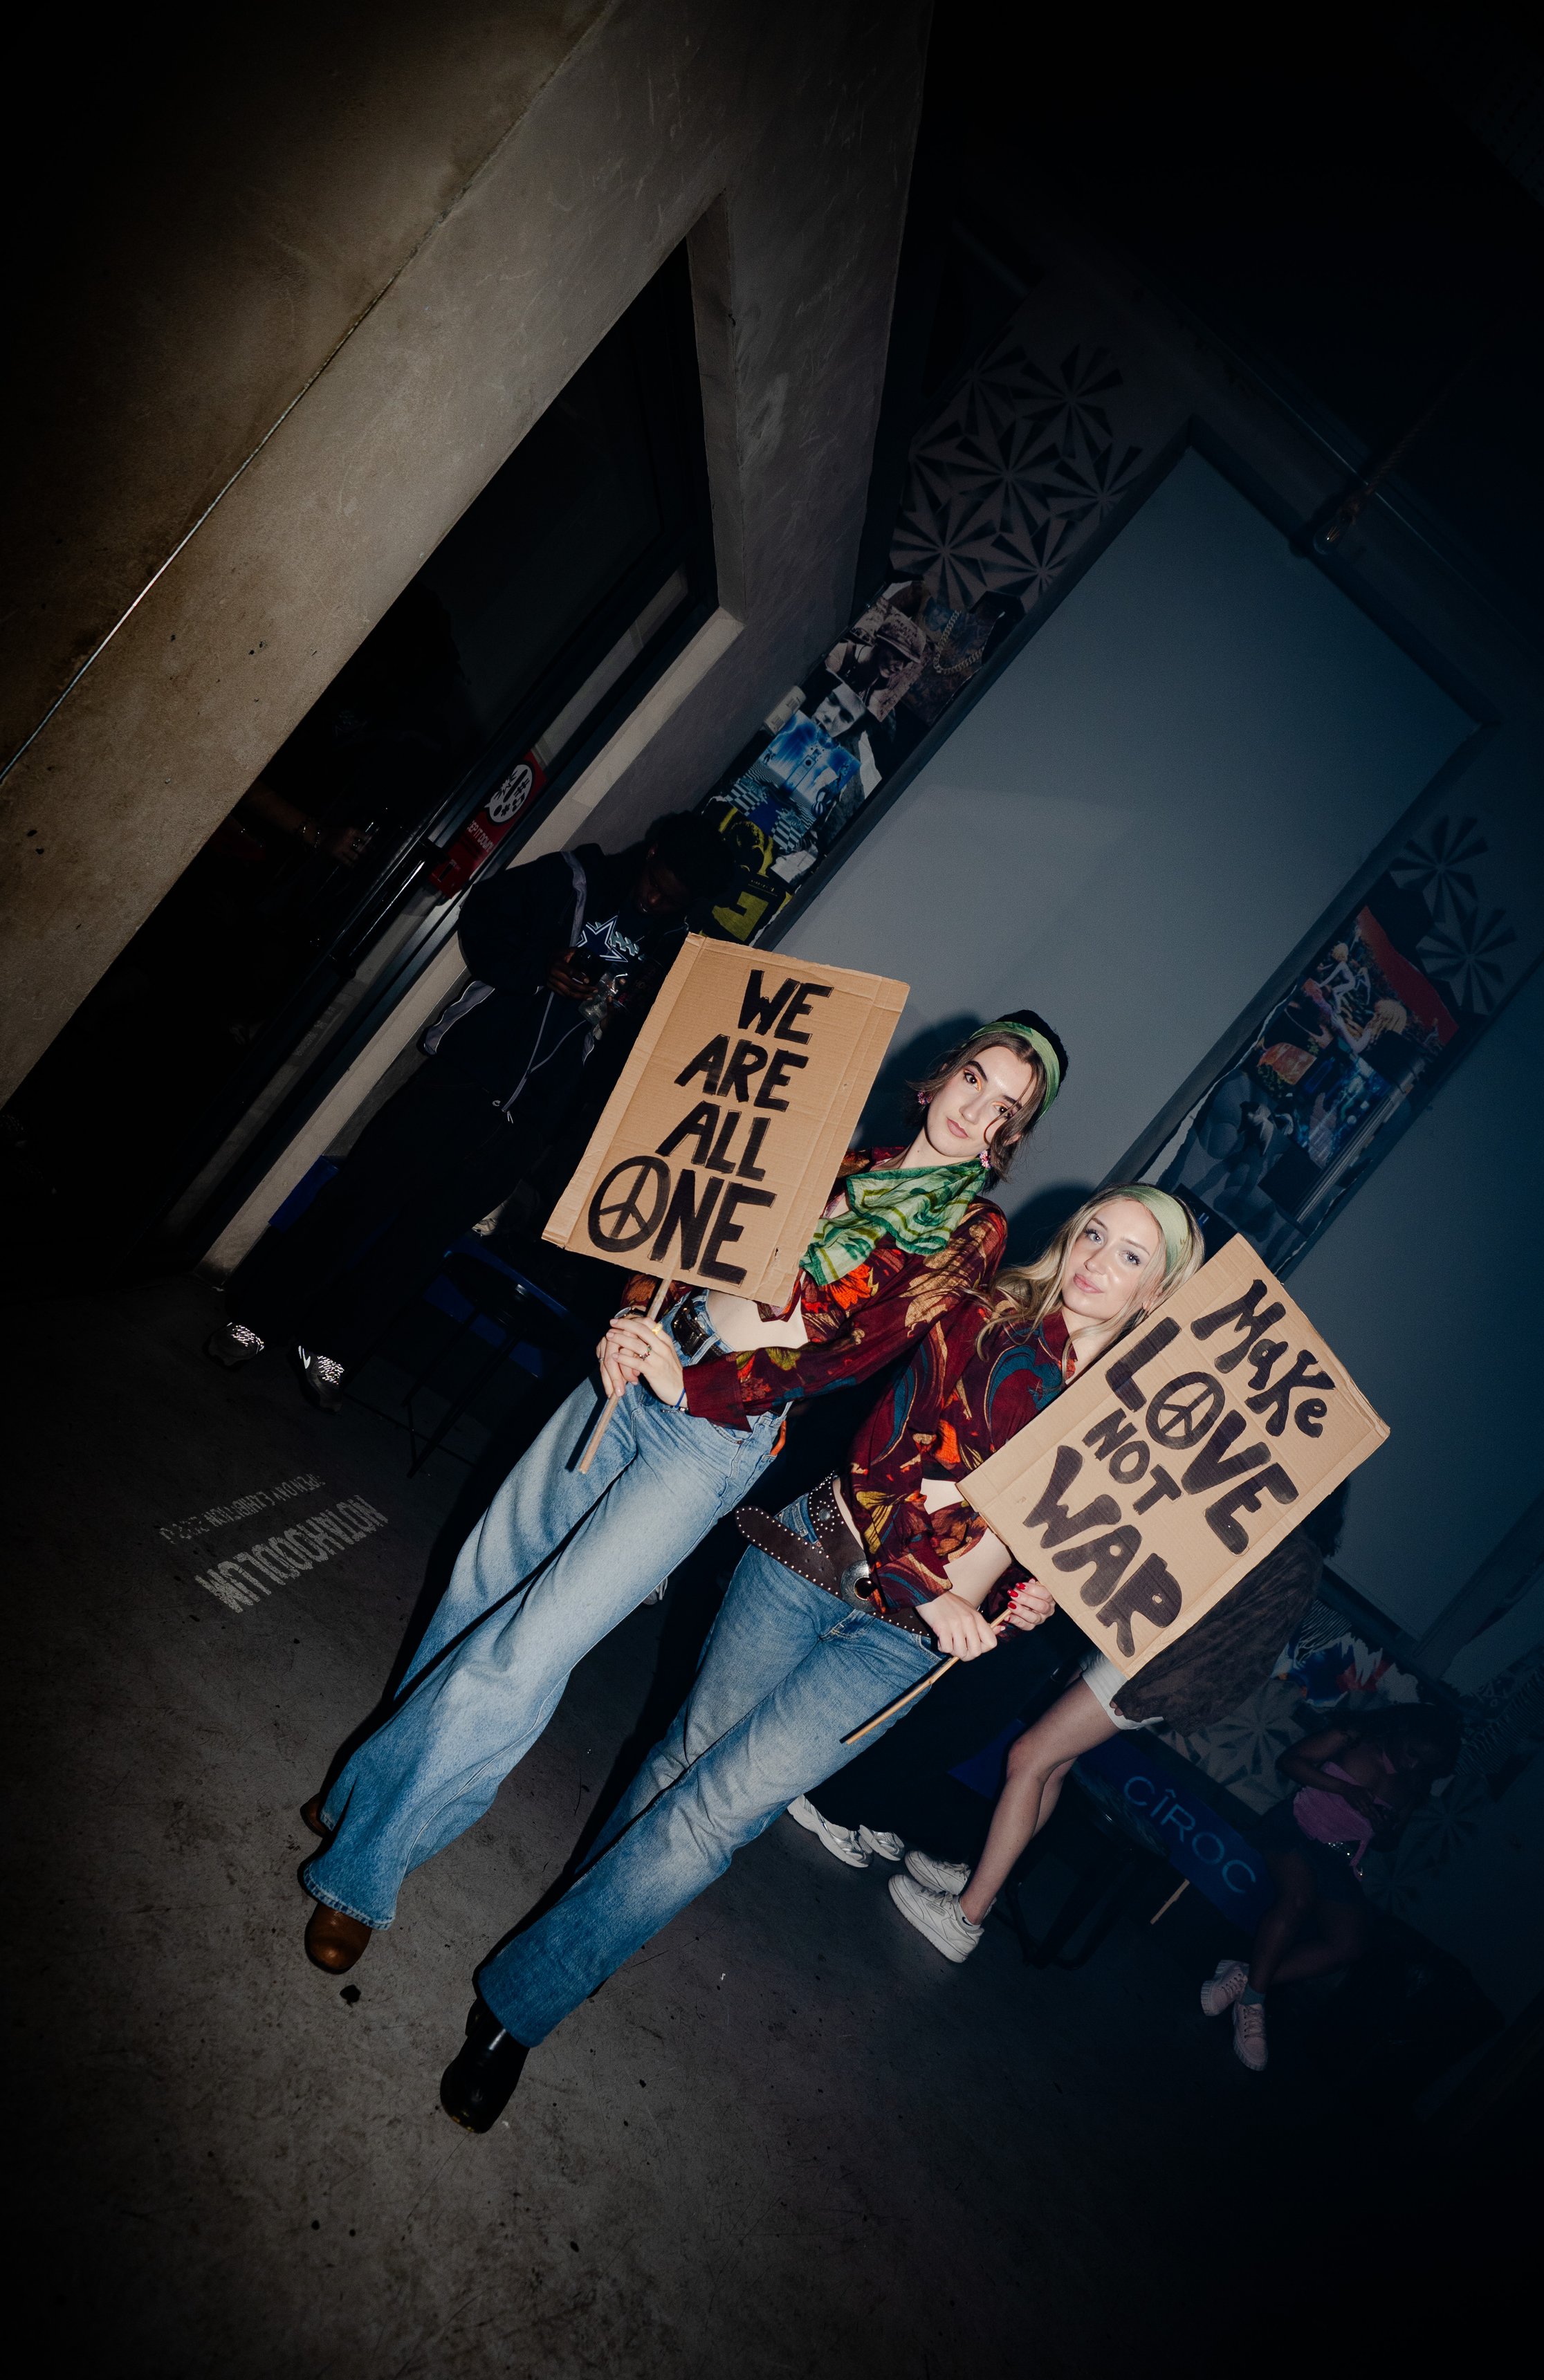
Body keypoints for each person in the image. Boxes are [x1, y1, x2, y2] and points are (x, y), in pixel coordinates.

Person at [297, 1013, 1069, 1973]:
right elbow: (688, 1216)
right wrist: (631, 1313)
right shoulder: (832, 1147)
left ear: (1011, 1135)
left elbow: (851, 1350)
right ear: (937, 1077)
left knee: (532, 1646)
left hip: (714, 1431)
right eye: (974, 1080)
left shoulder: (968, 1229)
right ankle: (366, 1794)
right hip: (638, 1359)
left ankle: (361, 1873)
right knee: (479, 1587)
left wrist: (692, 1384)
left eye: (1007, 1108)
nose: (977, 1110)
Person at [434, 1181, 1204, 2131]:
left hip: (905, 1644)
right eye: (1095, 1231)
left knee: (718, 1814)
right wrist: (940, 1580)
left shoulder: (1126, 1433)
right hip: (817, 1557)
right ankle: (583, 1937)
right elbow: (894, 1459)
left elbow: (1042, 1538)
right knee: (682, 1758)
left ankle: (525, 2001)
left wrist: (1023, 1593)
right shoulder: (987, 1315)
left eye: (1131, 1253)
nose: (1097, 1259)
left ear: (1158, 1289)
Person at [210, 812, 734, 1407]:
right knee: (359, 1196)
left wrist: (633, 1018)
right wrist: (543, 965)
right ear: (651, 848)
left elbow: (649, 1055)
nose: (656, 898)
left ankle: (334, 1349)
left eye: (672, 899)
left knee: (425, 1236)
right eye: (656, 881)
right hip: (465, 1075)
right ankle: (256, 1319)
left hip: (531, 1121)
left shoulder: (674, 949)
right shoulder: (572, 879)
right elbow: (484, 915)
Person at [885, 1488, 1348, 1952]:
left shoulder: (1289, 1549)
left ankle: (967, 1917)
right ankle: (979, 1874)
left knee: (1031, 1757)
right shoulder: (1293, 1549)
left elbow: (1228, 1640)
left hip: (1153, 1668)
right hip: (1140, 1654)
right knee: (1050, 1766)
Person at [1200, 1702, 1459, 2072]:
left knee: (1351, 1944)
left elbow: (1390, 1842)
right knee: (1297, 1899)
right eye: (1412, 1753)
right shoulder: (1354, 1738)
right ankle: (1252, 2003)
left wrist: (1385, 1829)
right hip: (1295, 1829)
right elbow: (1291, 1762)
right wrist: (1344, 1790)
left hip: (1338, 1861)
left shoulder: (1414, 1786)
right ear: (1402, 1731)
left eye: (1426, 1764)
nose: (1414, 1765)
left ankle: (1246, 1975)